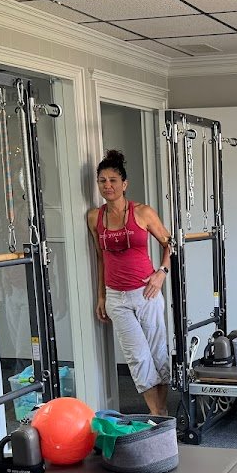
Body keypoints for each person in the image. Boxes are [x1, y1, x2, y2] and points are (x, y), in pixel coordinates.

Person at [87, 149, 173, 416]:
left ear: (124, 184)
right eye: (102, 181)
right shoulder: (94, 217)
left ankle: (161, 414)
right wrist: (101, 296)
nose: (107, 185)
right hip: (116, 297)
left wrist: (161, 273)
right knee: (137, 357)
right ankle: (158, 415)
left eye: (113, 180)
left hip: (146, 292)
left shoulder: (143, 212)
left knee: (158, 354)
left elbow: (170, 244)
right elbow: (101, 258)